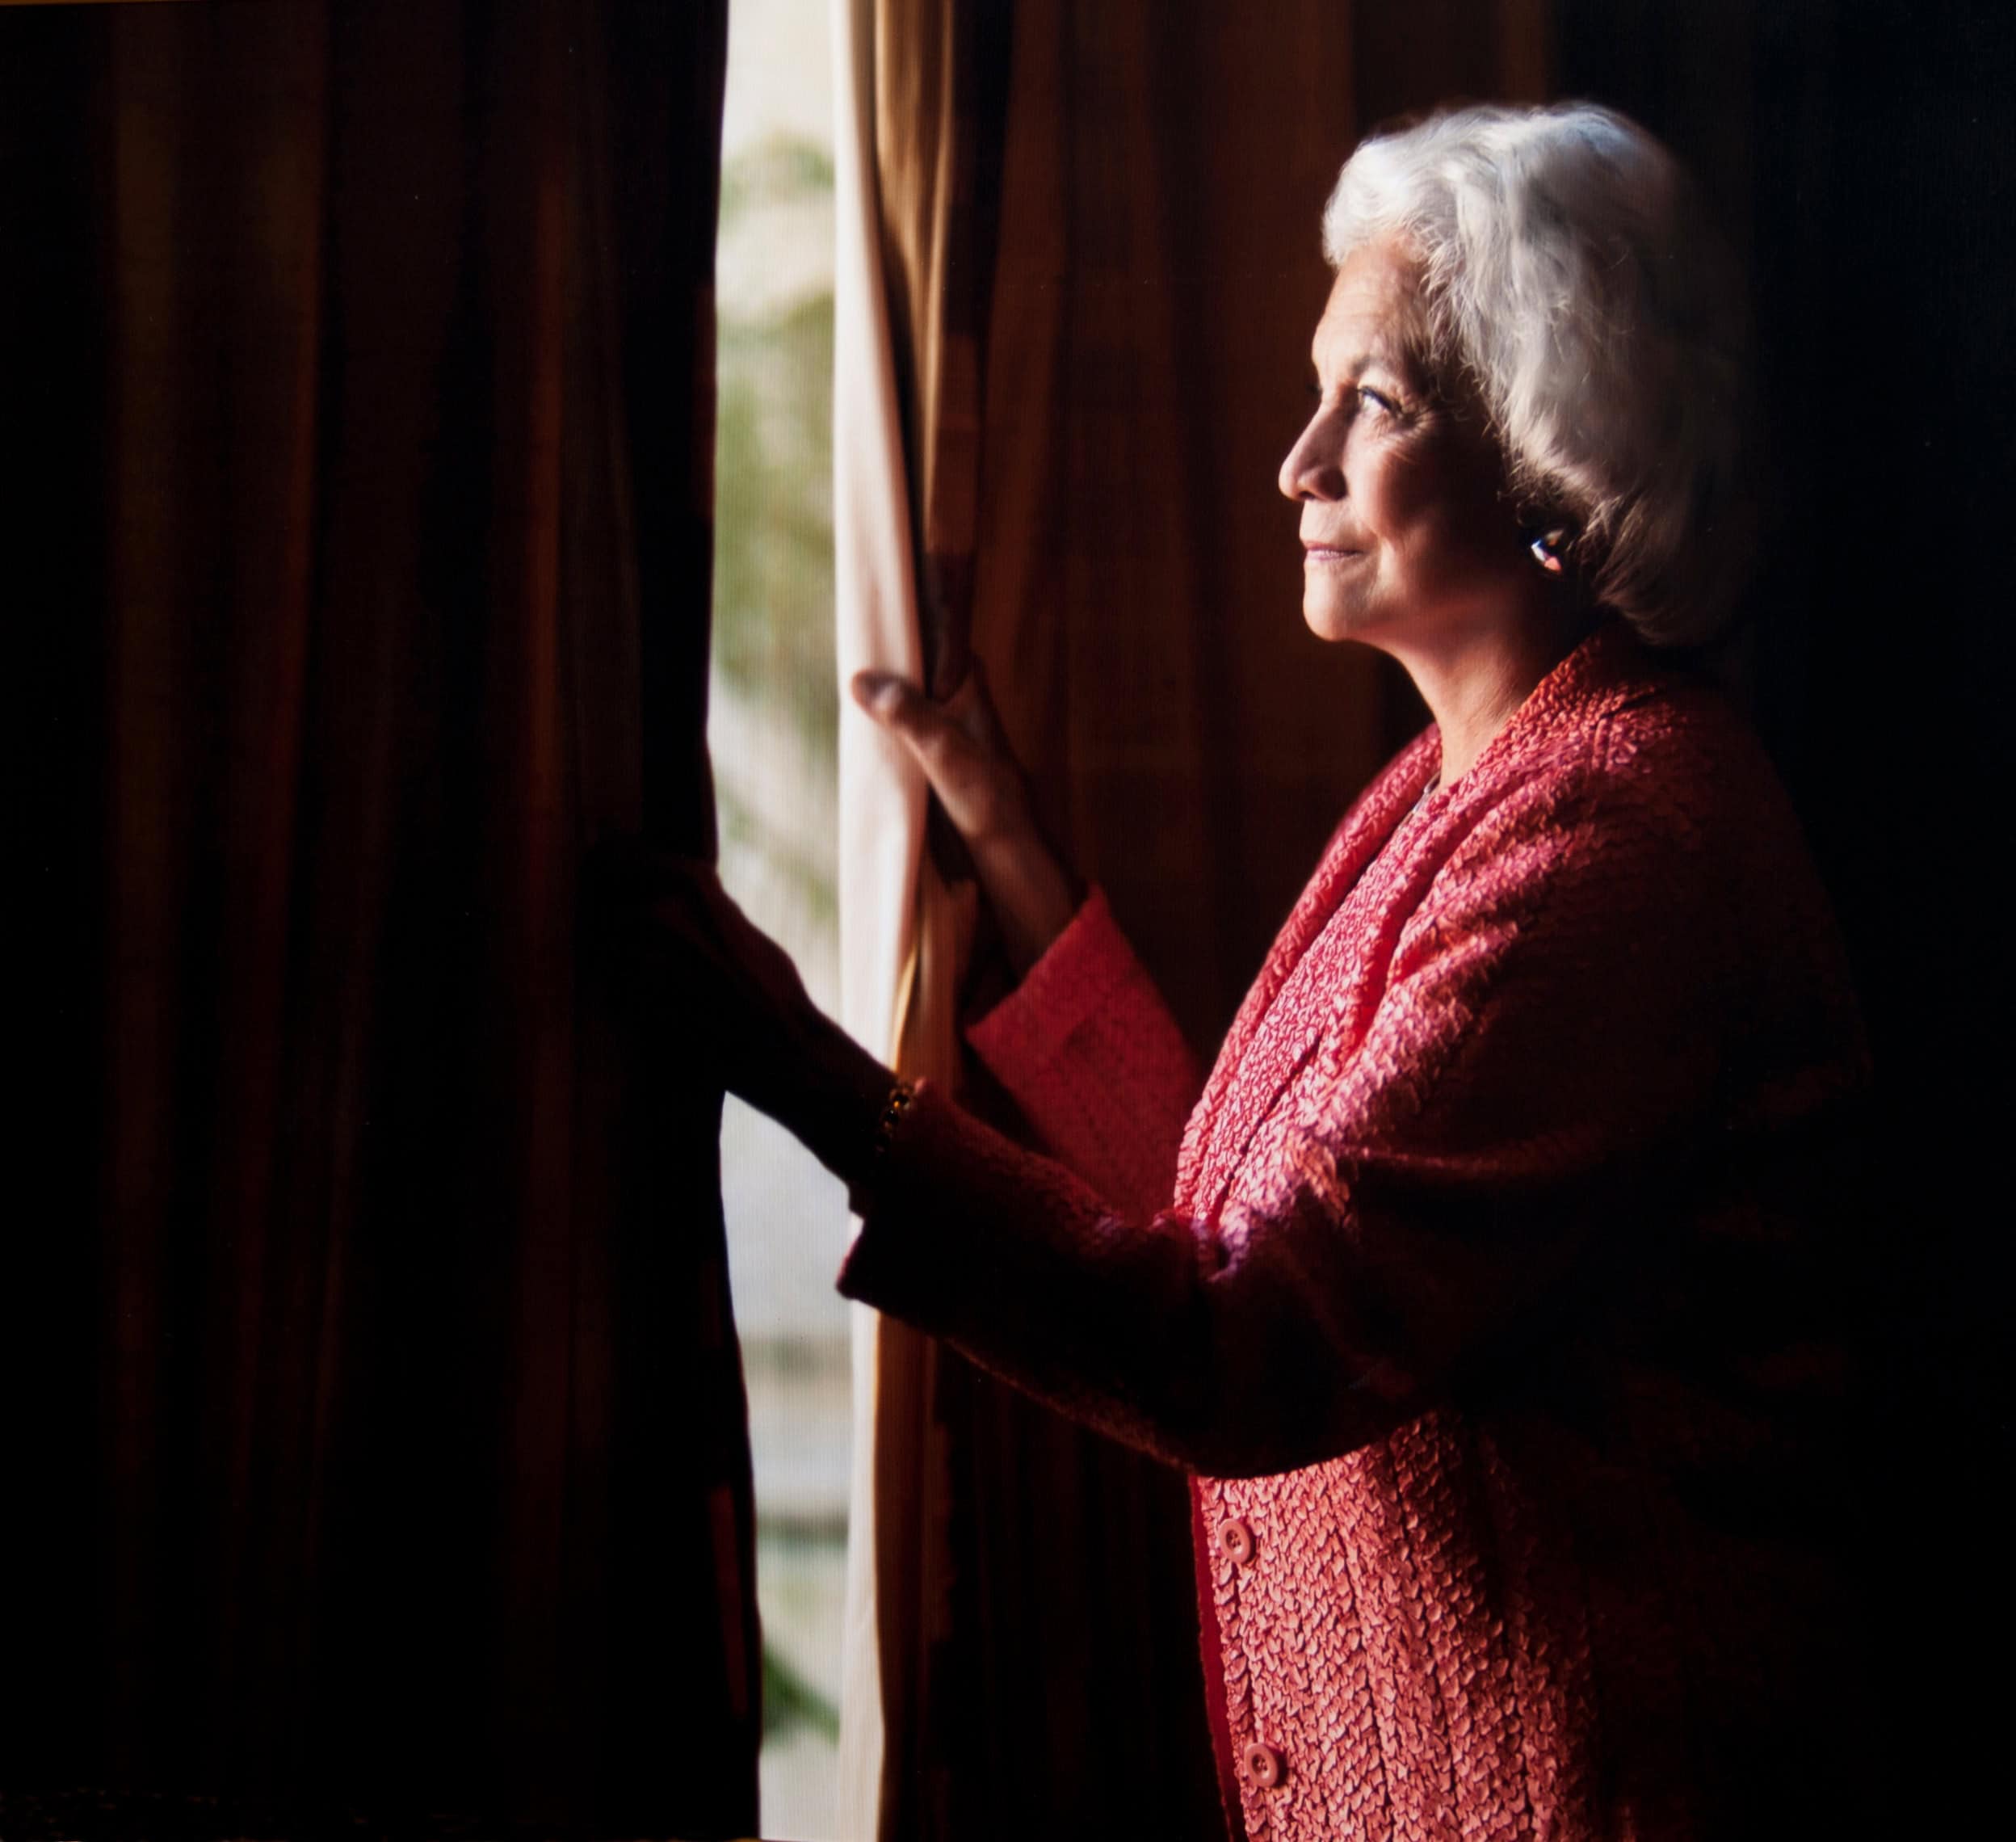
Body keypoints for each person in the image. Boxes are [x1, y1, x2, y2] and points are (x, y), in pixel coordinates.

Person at [613, 103, 1871, 1840]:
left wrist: (807, 1072)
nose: (1298, 462)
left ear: (1550, 449)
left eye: (1376, 401)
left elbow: (1251, 1343)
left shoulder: (1618, 841)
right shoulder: (1474, 781)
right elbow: (1247, 1210)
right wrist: (1011, 852)